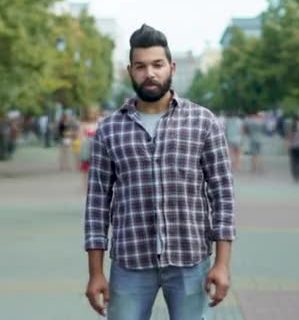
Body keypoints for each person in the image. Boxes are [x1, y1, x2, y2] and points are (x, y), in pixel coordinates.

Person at [84, 24, 236, 320]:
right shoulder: (109, 129)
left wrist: (222, 264)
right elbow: (96, 205)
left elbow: (223, 195)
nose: (149, 73)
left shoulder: (202, 121)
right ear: (130, 71)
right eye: (140, 66)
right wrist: (95, 273)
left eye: (157, 64)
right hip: (130, 261)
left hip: (190, 260)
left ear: (171, 67)